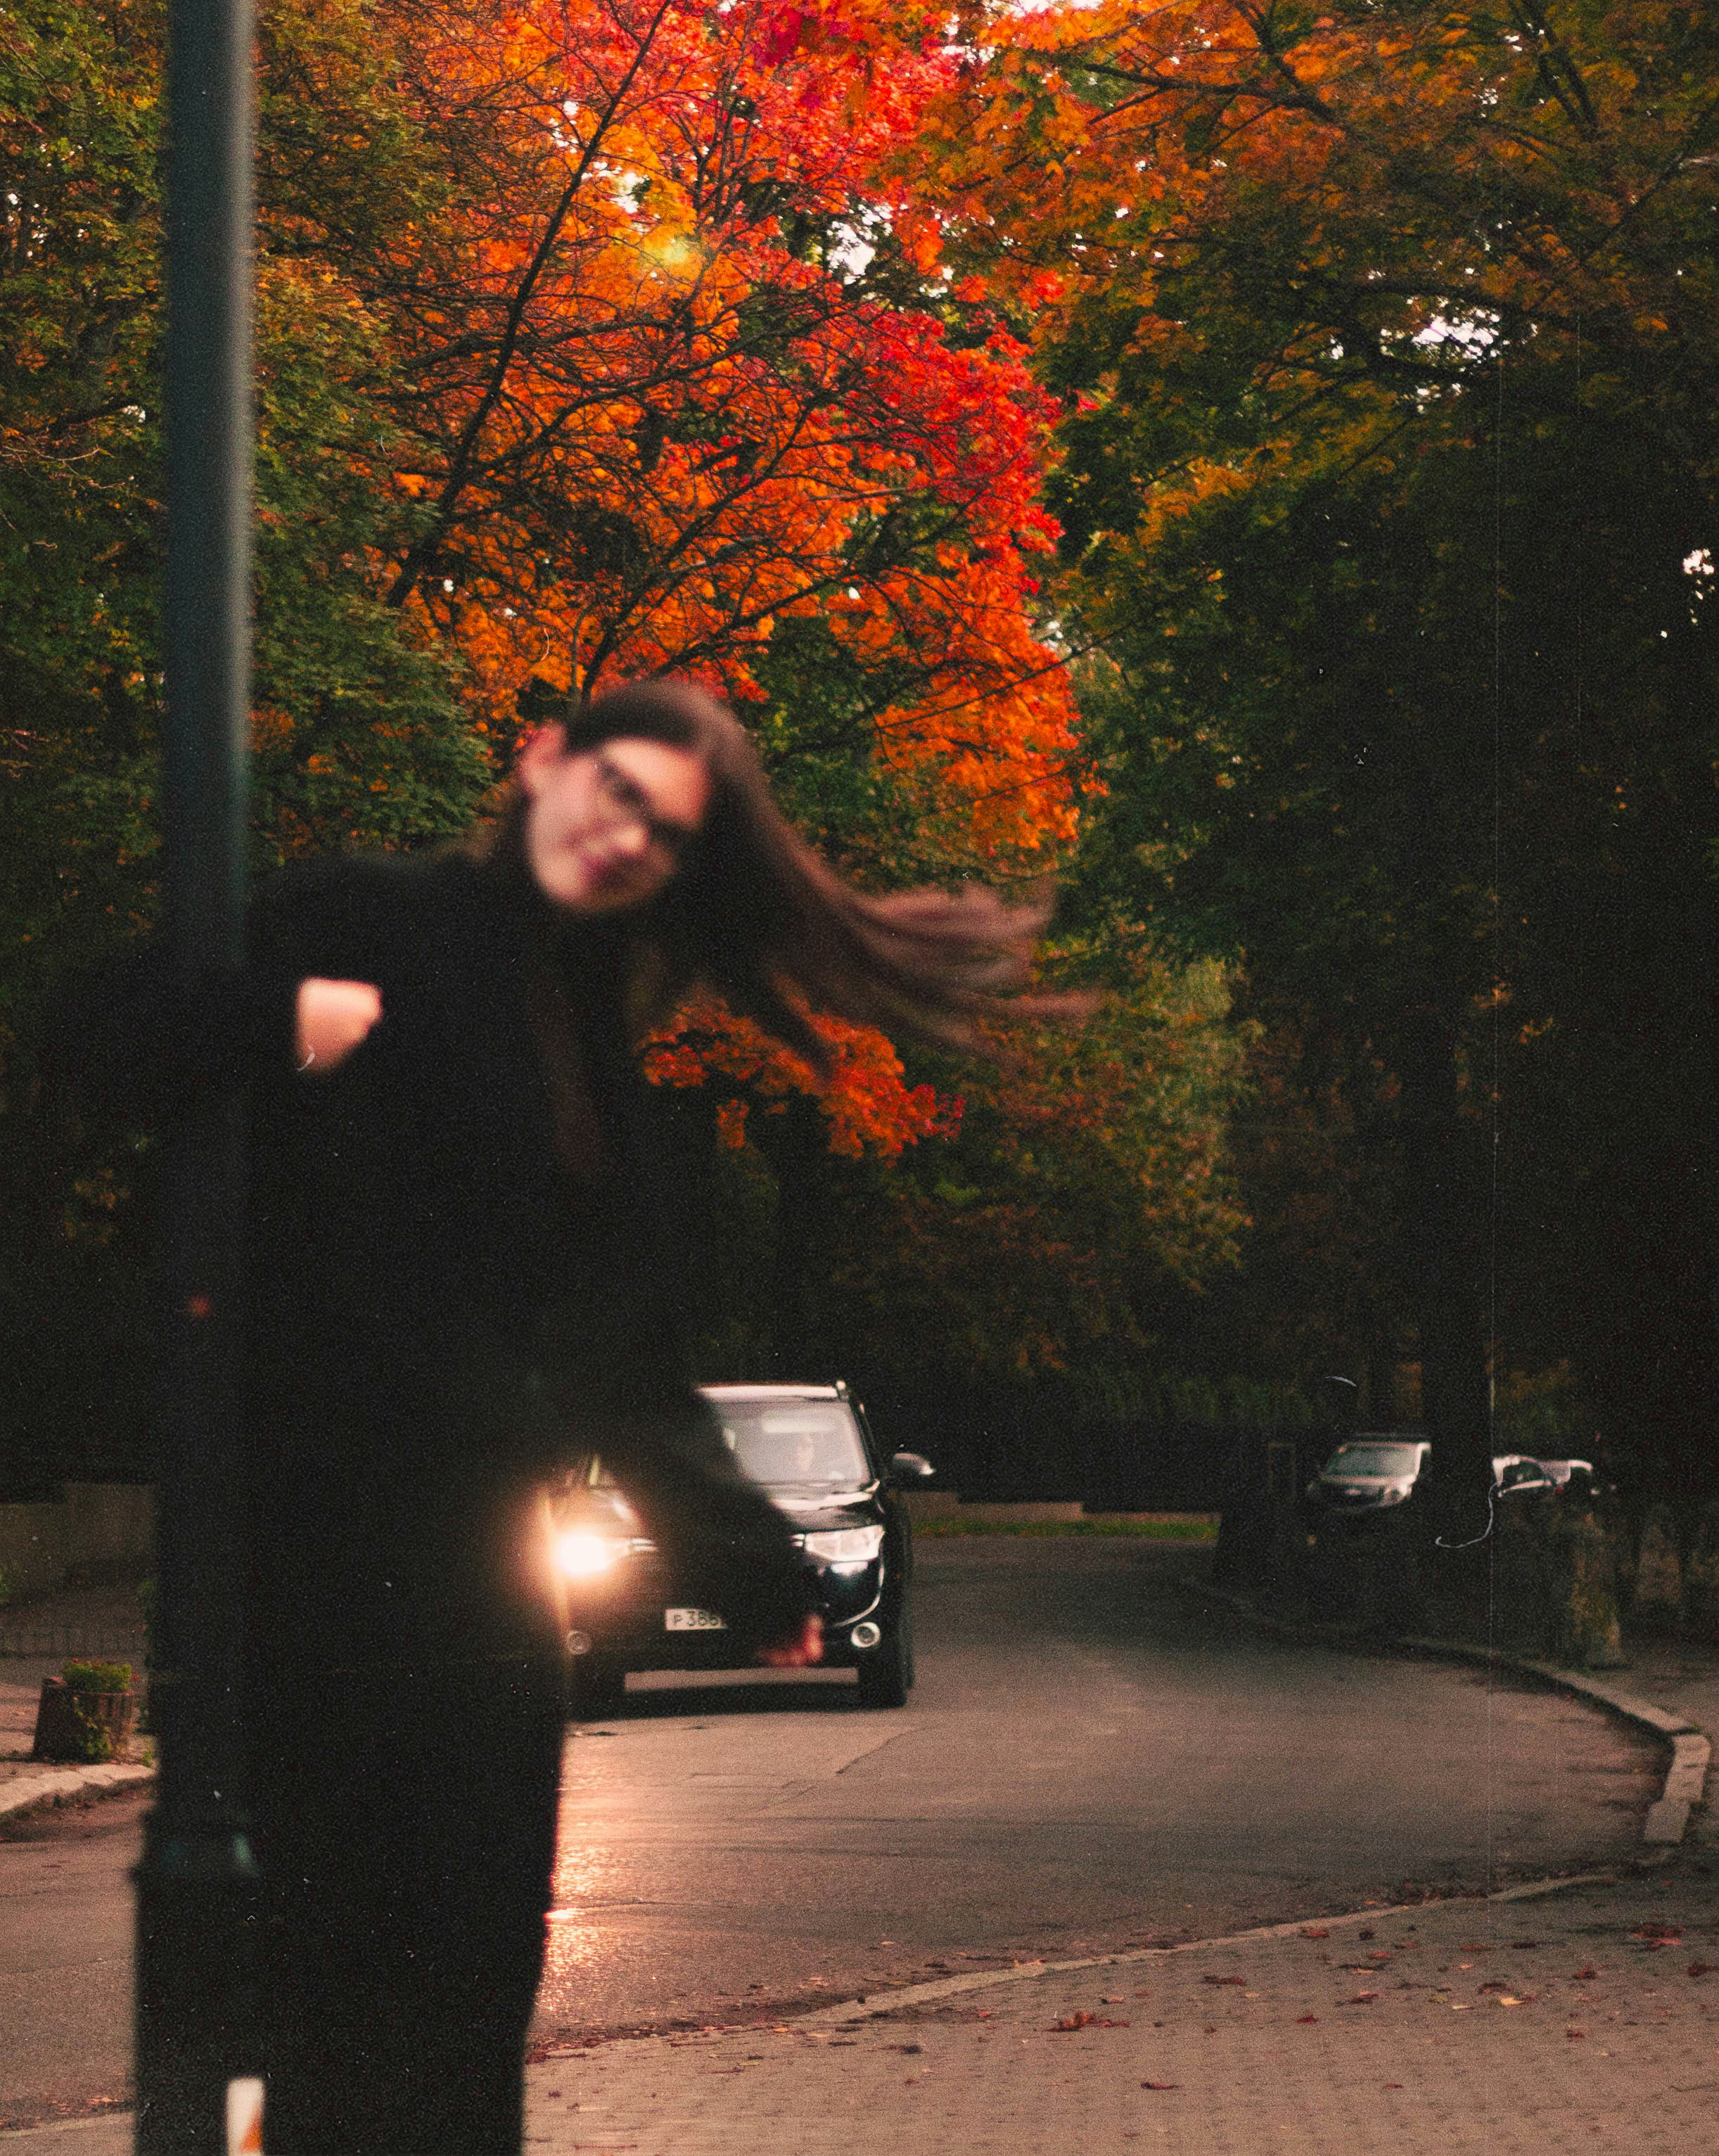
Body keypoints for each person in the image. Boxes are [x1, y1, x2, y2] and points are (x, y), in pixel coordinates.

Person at [56, 679, 1054, 2155]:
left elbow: (624, 1371)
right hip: (309, 1574)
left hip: (481, 1599)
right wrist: (285, 1018)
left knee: (465, 2022)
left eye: (664, 832)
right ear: (541, 762)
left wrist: (754, 1566)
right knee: (330, 2019)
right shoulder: (365, 916)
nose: (626, 835)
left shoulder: (594, 1052)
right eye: (617, 791)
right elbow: (92, 1037)